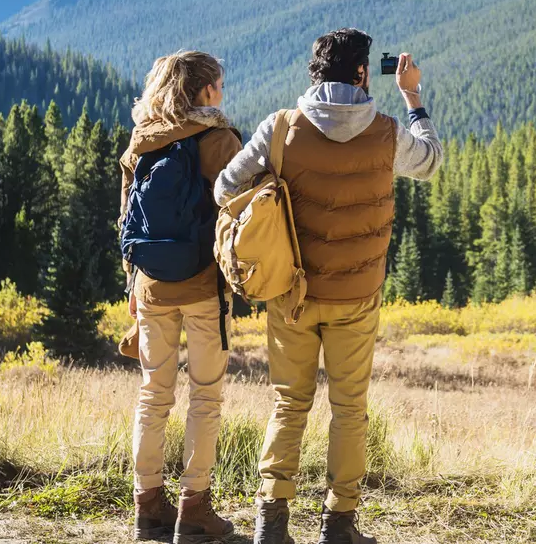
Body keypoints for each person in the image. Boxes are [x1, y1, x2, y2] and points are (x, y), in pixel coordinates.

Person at [214, 28, 443, 544]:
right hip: (357, 298)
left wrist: (271, 196)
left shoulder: (280, 128)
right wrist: (413, 97)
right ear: (363, 73)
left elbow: (226, 185)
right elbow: (430, 162)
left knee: (288, 403)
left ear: (315, 73)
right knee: (349, 408)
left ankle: (272, 522)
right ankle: (339, 524)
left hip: (291, 295)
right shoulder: (387, 133)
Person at [121, 51, 243, 543]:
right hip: (202, 285)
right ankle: (194, 509)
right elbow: (242, 216)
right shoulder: (219, 140)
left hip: (150, 285)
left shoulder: (142, 142)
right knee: (205, 396)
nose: (222, 91)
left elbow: (126, 219)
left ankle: (147, 506)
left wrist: (132, 284)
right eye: (219, 83)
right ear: (205, 90)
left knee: (153, 394)